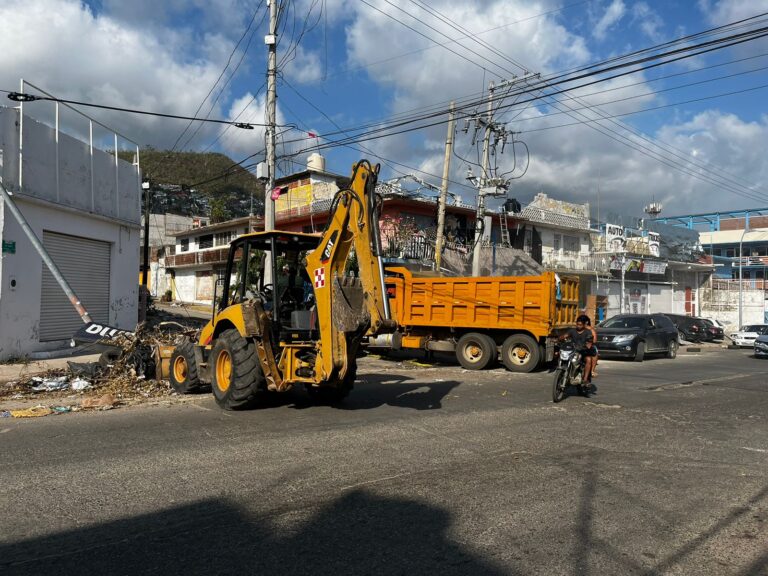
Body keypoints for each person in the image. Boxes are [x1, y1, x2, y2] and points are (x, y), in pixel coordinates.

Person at [561, 314, 597, 385]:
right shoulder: (572, 331)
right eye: (577, 324)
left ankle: (585, 379)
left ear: (584, 325)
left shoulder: (588, 332)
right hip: (574, 351)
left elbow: (590, 341)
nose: (578, 326)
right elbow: (565, 335)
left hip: (583, 351)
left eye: (580, 325)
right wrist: (558, 339)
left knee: (588, 359)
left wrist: (588, 344)